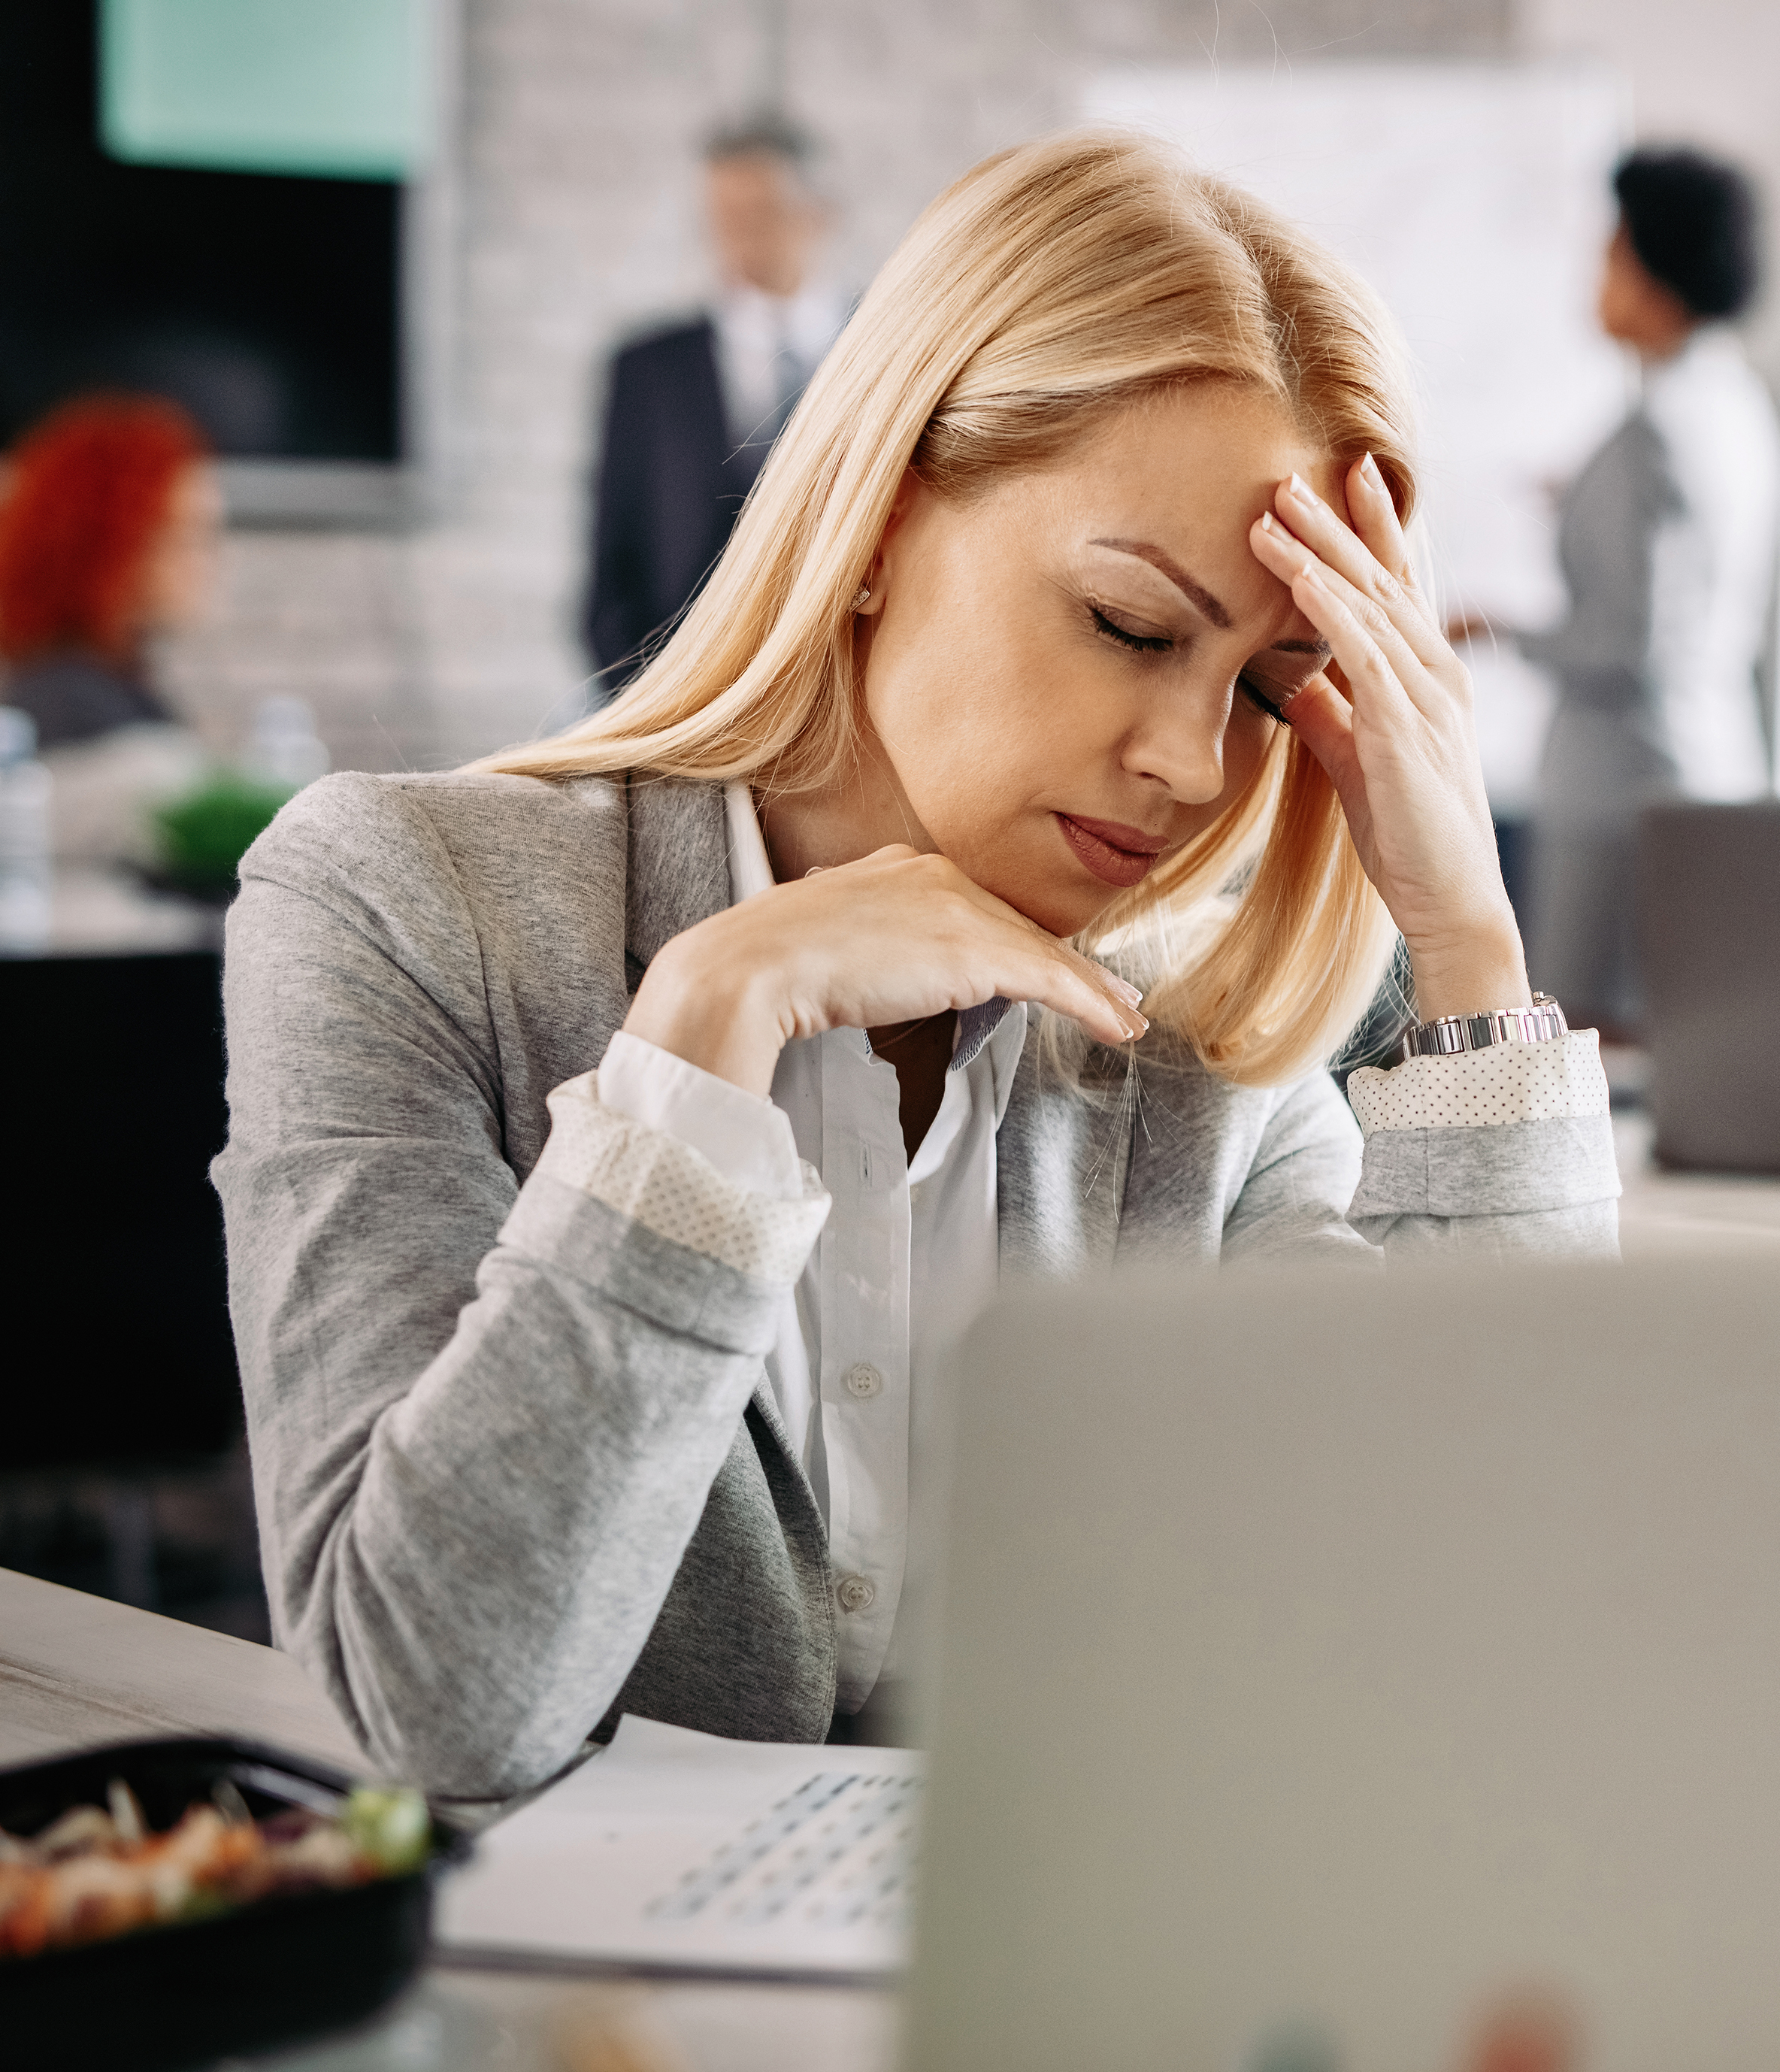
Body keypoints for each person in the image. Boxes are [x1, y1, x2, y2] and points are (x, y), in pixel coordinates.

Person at [217, 133, 1618, 1798]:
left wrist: (1470, 949)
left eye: (1266, 688)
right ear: (879, 518)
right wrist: (698, 1051)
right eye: (1132, 626)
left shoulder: (1198, 1050)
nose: (1190, 765)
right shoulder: (402, 905)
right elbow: (435, 1700)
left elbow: (1483, 1634)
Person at [1488, 147, 1780, 1037]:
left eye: (1613, 253)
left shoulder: (1657, 428)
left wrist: (1495, 629)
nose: (1597, 276)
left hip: (1621, 786)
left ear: (1660, 272)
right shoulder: (1732, 400)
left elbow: (1626, 643)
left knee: (1585, 1035)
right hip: (1708, 757)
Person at [583, 114, 850, 695]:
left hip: (847, 686)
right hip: (679, 688)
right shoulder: (648, 368)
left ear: (820, 213)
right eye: (724, 217)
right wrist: (645, 699)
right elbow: (614, 558)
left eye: (763, 212)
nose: (741, 236)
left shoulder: (887, 346)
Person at [0, 393, 222, 859]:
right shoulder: (67, 701)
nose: (207, 562)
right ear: (110, 543)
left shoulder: (114, 681)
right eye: (186, 536)